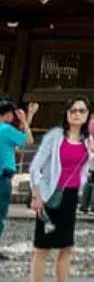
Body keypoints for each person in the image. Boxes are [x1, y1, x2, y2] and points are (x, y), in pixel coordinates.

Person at [29, 97, 94, 282]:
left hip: (70, 197)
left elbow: (89, 170)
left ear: (88, 115)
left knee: (66, 247)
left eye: (81, 110)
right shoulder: (55, 137)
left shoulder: (88, 141)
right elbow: (35, 167)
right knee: (42, 249)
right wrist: (36, 195)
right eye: (73, 110)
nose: (77, 114)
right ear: (67, 113)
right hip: (50, 196)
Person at [0, 99, 36, 262]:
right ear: (7, 114)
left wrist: (29, 116)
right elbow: (27, 140)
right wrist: (24, 120)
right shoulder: (6, 129)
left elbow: (18, 139)